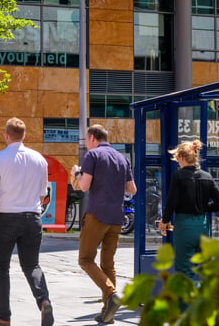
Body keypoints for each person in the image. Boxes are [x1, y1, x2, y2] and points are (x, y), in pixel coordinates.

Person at [0, 117, 54, 326]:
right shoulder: (39, 159)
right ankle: (44, 300)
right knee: (32, 265)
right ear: (24, 135)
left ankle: (4, 316)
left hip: (7, 218)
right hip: (32, 218)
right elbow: (42, 194)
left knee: (1, 267)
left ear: (6, 135)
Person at [70, 124, 137, 324]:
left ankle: (111, 292)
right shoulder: (122, 158)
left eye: (86, 140)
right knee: (108, 265)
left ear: (92, 138)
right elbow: (131, 189)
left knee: (85, 259)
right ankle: (107, 313)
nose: (86, 145)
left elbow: (84, 186)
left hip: (97, 215)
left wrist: (76, 173)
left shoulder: (93, 156)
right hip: (117, 218)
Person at [158, 140, 219, 279]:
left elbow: (171, 201)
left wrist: (164, 221)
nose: (178, 162)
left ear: (182, 158)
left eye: (177, 159)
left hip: (184, 226)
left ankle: (189, 299)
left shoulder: (178, 176)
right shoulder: (207, 177)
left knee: (184, 270)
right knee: (202, 268)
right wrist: (204, 207)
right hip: (203, 227)